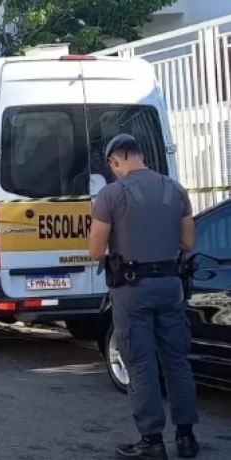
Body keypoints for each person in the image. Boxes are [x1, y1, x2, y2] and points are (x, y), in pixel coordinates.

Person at [88, 134, 199, 460]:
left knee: (140, 363)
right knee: (177, 361)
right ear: (140, 154)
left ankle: (151, 440)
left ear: (114, 161)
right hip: (170, 287)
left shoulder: (110, 194)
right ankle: (187, 437)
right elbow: (188, 243)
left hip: (132, 291)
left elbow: (95, 250)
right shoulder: (176, 190)